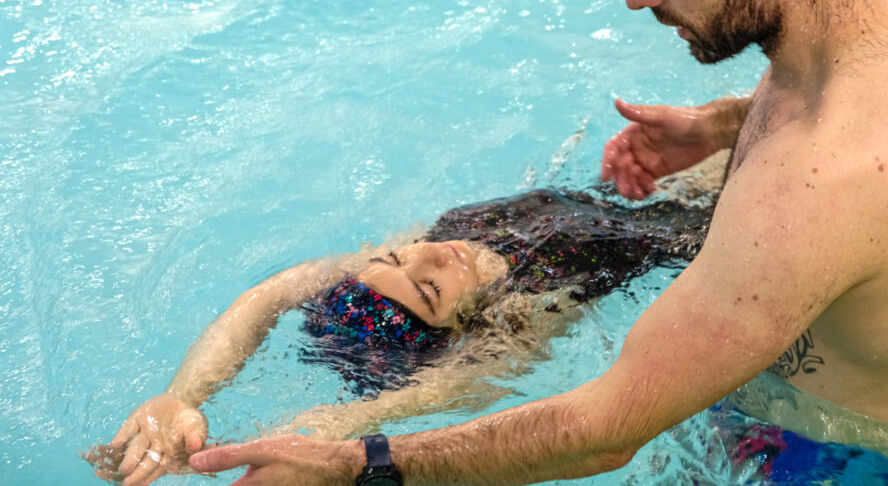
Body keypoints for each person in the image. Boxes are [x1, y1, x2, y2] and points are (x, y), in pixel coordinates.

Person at [183, 0, 888, 484]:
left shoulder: (821, 184)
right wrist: (721, 125)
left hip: (852, 467)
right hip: (870, 411)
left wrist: (355, 462)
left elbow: (606, 430)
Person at [89, 187, 714, 486]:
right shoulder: (523, 313)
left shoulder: (422, 254)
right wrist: (327, 433)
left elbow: (269, 297)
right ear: (460, 327)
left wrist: (183, 394)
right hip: (676, 228)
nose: (434, 255)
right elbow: (450, 389)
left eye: (397, 254)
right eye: (432, 290)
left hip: (614, 181)